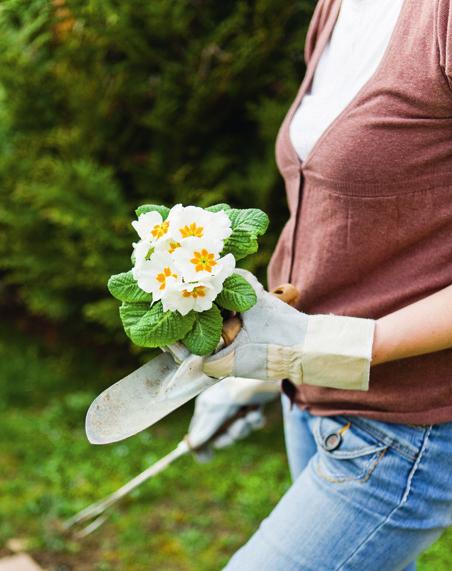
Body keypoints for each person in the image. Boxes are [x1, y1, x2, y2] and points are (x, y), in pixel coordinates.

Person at [187, 0, 452, 569]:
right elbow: (343, 219)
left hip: (407, 426)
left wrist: (327, 347)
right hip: (309, 401)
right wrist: (265, 366)